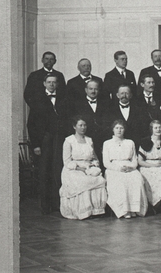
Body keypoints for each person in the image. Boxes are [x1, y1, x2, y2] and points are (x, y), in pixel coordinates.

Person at [27, 74, 70, 214]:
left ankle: (57, 204)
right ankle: (45, 206)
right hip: (44, 140)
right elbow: (31, 124)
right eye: (49, 82)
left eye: (54, 82)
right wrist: (36, 145)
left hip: (59, 139)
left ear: (57, 84)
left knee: (58, 170)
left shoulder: (63, 99)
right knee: (44, 172)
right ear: (44, 84)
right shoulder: (37, 100)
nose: (51, 84)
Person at [59, 116, 107, 219]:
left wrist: (93, 165)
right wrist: (80, 168)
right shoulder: (69, 141)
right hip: (73, 169)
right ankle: (83, 211)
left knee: (99, 179)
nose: (83, 127)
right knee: (82, 181)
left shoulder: (89, 140)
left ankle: (96, 210)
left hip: (88, 167)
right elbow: (67, 161)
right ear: (74, 127)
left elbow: (94, 157)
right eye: (80, 125)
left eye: (85, 125)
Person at [102, 120, 150, 218]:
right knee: (121, 182)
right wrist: (119, 168)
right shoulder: (107, 143)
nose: (119, 130)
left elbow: (134, 160)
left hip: (129, 167)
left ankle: (134, 209)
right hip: (113, 168)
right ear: (113, 129)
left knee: (137, 179)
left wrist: (131, 167)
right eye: (117, 128)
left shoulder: (130, 142)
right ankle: (124, 210)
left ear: (125, 130)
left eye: (121, 128)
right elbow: (106, 163)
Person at [137, 119, 161, 212]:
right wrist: (152, 165)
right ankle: (152, 204)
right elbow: (140, 161)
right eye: (156, 128)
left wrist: (160, 165)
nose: (158, 130)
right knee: (147, 174)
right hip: (148, 165)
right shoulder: (145, 141)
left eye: (160, 127)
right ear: (151, 129)